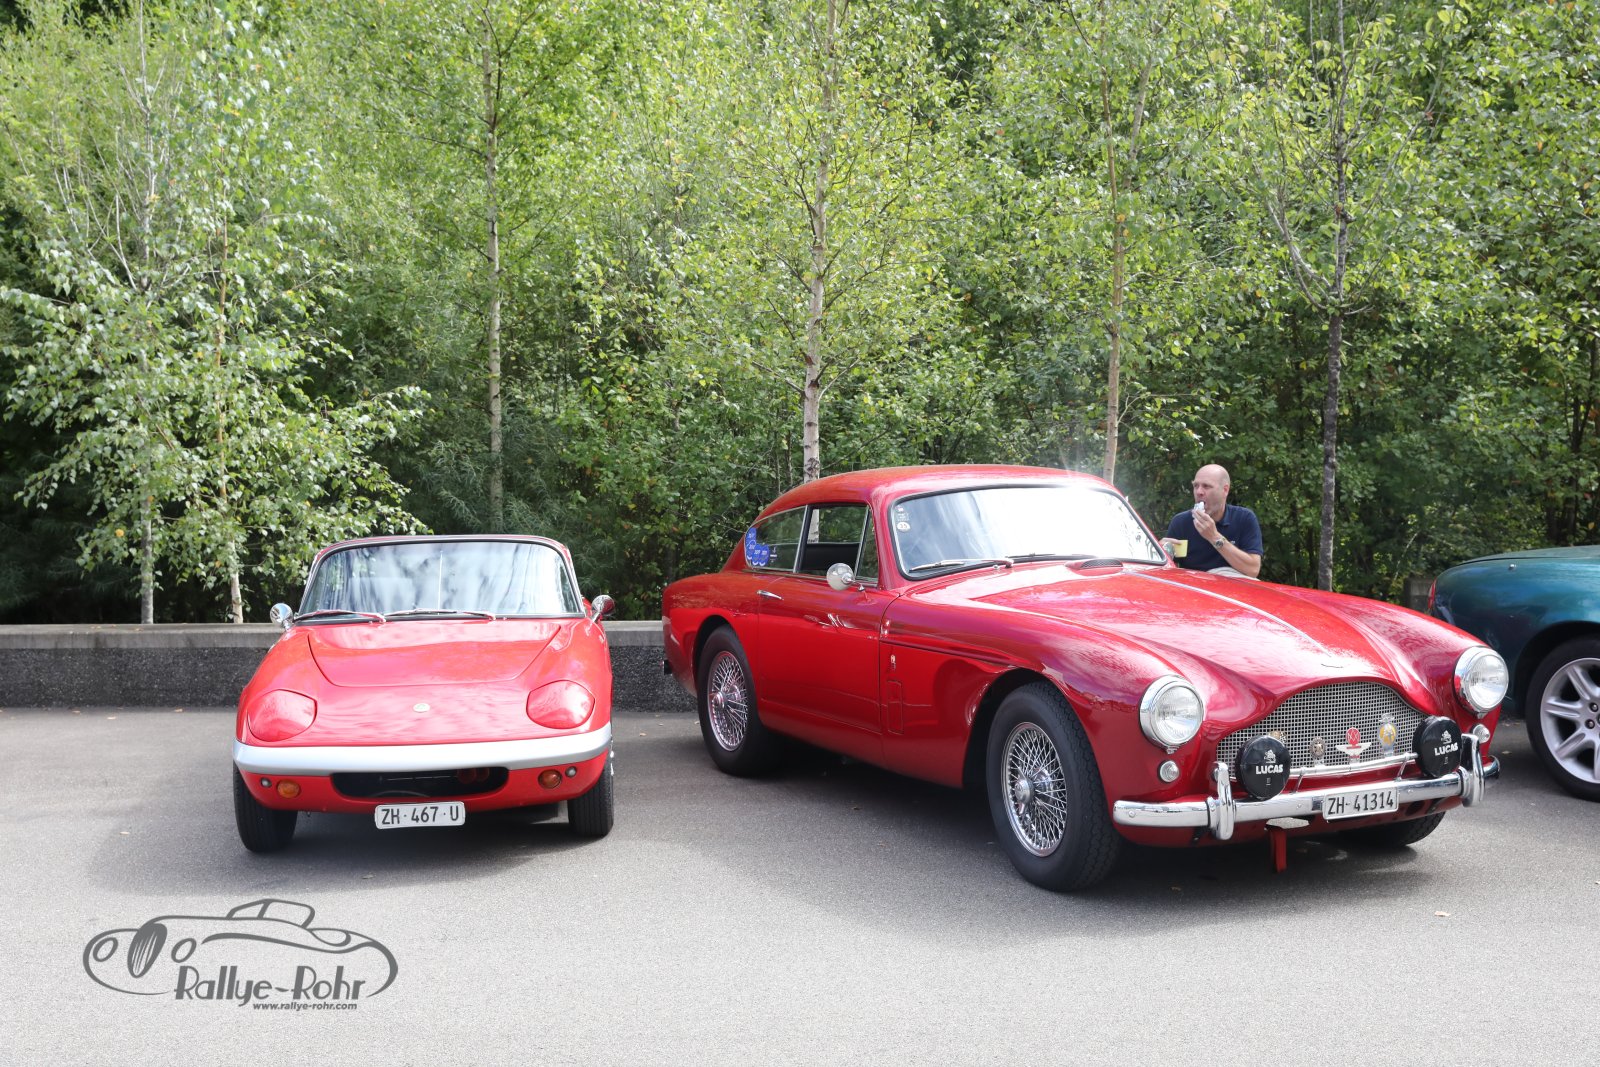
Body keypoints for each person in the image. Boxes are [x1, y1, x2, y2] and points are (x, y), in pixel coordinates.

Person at [1160, 464, 1263, 579]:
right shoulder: (1181, 522)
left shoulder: (1244, 518)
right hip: (1195, 586)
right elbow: (1166, 572)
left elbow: (1253, 570)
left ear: (1225, 490)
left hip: (1234, 586)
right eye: (1196, 486)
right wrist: (1159, 553)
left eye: (1206, 486)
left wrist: (1214, 537)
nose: (1199, 492)